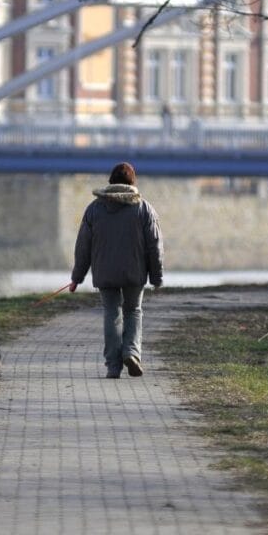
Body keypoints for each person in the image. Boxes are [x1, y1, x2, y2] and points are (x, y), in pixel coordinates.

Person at [70, 162, 164, 378]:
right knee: (133, 311)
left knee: (112, 312)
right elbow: (154, 245)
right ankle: (131, 352)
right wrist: (157, 277)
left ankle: (113, 365)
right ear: (133, 182)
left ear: (111, 181)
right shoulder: (144, 209)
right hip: (134, 272)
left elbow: (83, 245)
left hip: (105, 273)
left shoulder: (94, 209)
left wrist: (77, 277)